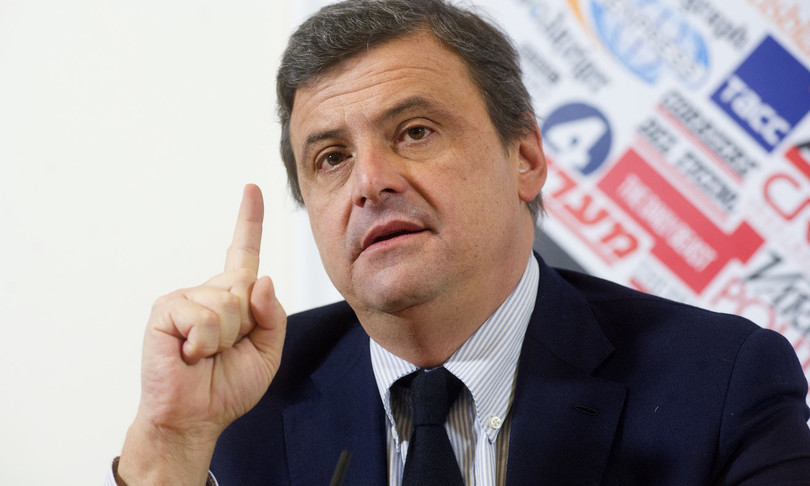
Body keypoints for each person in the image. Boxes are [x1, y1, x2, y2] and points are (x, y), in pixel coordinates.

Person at [109, 0, 810, 484]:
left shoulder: (720, 386)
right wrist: (168, 451)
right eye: (331, 158)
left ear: (525, 157)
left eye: (415, 132)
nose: (370, 182)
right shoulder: (244, 404)